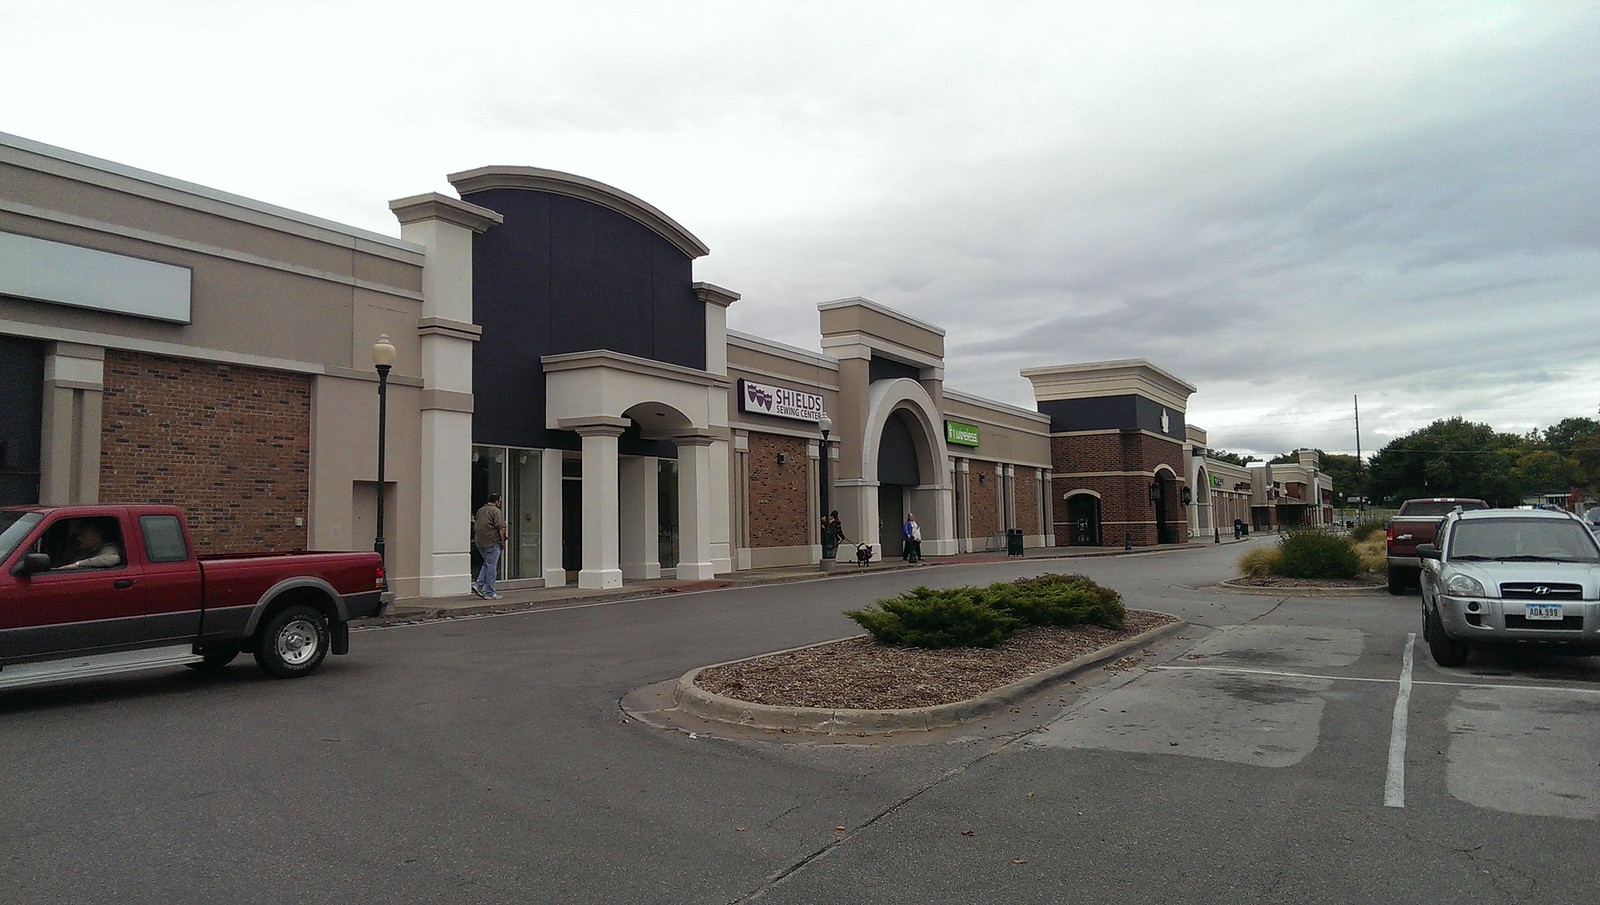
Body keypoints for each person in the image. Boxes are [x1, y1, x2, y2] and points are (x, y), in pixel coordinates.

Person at [471, 492, 508, 599]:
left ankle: (478, 585)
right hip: (492, 542)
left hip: (480, 542)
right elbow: (501, 528)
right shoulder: (496, 511)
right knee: (492, 567)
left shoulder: (480, 510)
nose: (499, 503)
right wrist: (503, 541)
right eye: (499, 501)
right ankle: (490, 592)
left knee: (487, 564)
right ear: (496, 501)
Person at [56, 520, 122, 570]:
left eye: (83, 535)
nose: (78, 538)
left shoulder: (108, 548)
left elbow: (112, 558)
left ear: (98, 535)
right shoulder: (78, 550)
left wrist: (78, 564)